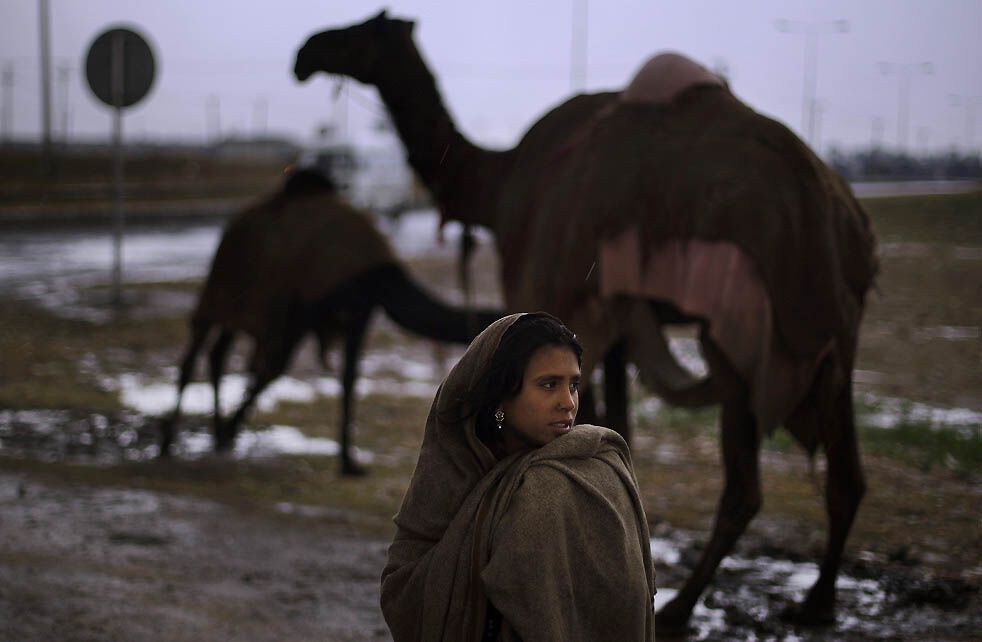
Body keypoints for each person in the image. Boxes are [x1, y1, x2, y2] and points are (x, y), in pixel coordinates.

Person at [381, 312, 655, 641]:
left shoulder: (583, 471)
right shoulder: (456, 462)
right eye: (548, 385)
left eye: (574, 384)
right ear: (500, 395)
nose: (567, 403)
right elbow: (406, 578)